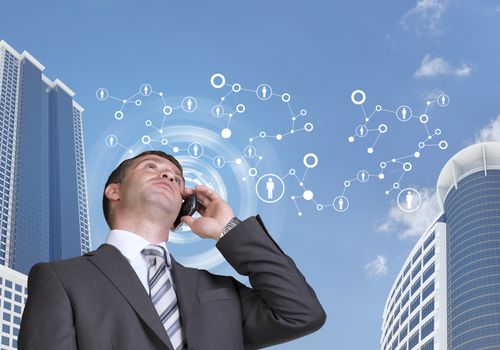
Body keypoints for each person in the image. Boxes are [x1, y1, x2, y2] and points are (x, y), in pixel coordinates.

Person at [18, 150, 326, 350]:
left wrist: (228, 229)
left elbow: (301, 314)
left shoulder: (219, 291)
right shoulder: (61, 279)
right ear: (114, 191)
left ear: (184, 205)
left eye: (177, 178)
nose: (167, 175)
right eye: (151, 167)